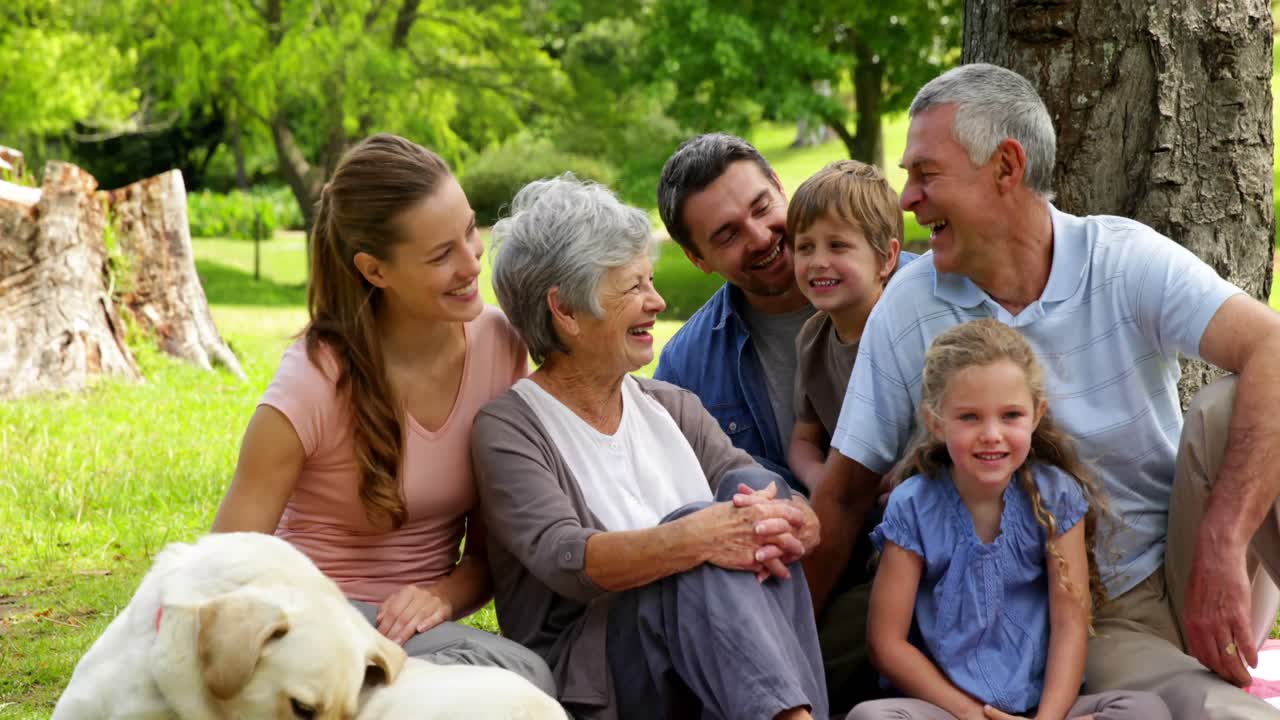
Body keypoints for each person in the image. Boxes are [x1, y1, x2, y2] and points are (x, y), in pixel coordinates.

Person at [811, 62, 1280, 718]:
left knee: (1242, 399)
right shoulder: (910, 305)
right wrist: (779, 665)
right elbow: (844, 494)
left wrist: (1222, 541)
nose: (908, 199)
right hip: (1040, 615)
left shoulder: (1122, 259)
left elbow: (1273, 346)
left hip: (1165, 572)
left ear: (1006, 167)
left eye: (926, 173)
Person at [471, 174, 827, 720]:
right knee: (706, 539)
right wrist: (694, 537)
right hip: (597, 680)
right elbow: (567, 558)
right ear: (565, 311)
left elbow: (756, 484)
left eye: (651, 281)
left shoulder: (671, 406)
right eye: (633, 287)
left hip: (702, 670)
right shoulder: (510, 429)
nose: (657, 301)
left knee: (756, 531)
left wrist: (796, 517)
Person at [211, 133, 554, 695]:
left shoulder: (501, 345)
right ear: (375, 270)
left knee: (524, 678)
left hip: (416, 636)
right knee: (511, 683)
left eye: (470, 231)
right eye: (441, 254)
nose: (472, 263)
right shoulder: (313, 380)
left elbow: (492, 555)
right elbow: (221, 564)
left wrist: (440, 595)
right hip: (309, 626)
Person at [850, 319, 1170, 720]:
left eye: (1011, 415)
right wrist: (970, 715)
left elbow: (1070, 624)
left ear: (1037, 415)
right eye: (969, 417)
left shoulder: (1056, 496)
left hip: (1044, 705)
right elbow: (886, 644)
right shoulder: (913, 505)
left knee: (1144, 711)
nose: (991, 434)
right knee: (871, 717)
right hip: (948, 710)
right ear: (935, 422)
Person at [786, 159, 903, 493]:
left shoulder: (905, 329)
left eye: (837, 245)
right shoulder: (812, 339)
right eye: (805, 247)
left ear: (886, 258)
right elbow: (804, 440)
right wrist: (820, 480)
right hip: (849, 492)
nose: (818, 261)